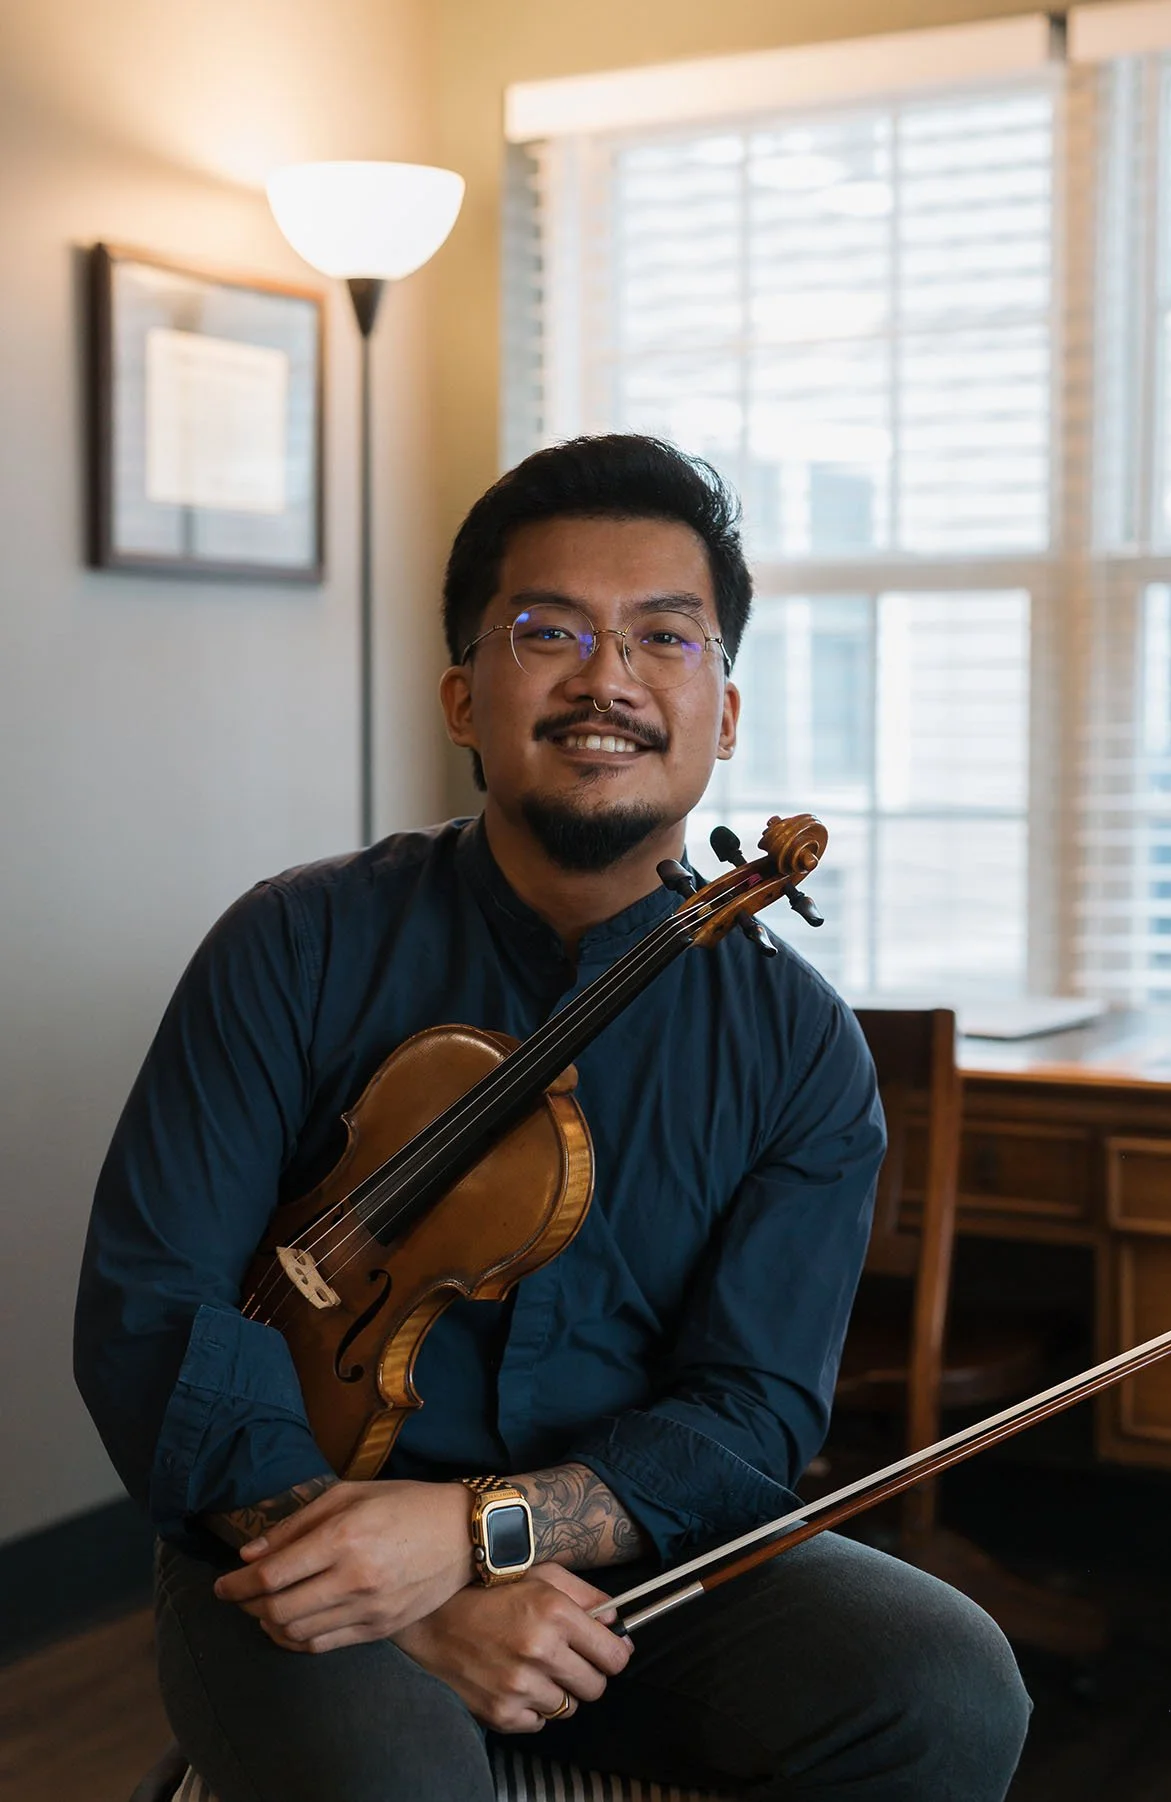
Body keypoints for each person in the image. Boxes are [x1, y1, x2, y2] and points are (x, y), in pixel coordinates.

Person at [75, 435, 1030, 1802]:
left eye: (664, 637)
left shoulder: (795, 1044)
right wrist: (401, 1594)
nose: (609, 678)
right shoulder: (293, 945)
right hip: (293, 1538)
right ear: (464, 697)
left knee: (941, 1680)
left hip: (628, 1570)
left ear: (727, 709)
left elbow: (747, 1417)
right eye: (550, 632)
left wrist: (476, 1537)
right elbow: (152, 1311)